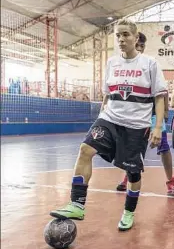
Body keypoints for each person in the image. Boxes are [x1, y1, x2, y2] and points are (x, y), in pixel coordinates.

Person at [50, 19, 167, 231]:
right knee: (85, 149)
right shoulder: (112, 63)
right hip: (110, 119)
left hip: (136, 126)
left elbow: (159, 98)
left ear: (135, 36)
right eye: (118, 36)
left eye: (126, 35)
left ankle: (129, 212)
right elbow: (108, 93)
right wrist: (103, 113)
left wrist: (157, 126)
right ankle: (77, 204)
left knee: (133, 174)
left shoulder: (149, 64)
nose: (121, 39)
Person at [116, 32, 174, 195]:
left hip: (153, 115)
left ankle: (170, 182)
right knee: (132, 149)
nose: (139, 48)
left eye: (142, 46)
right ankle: (127, 179)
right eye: (138, 45)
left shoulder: (151, 65)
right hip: (135, 116)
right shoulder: (123, 68)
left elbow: (163, 91)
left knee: (164, 147)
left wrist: (165, 111)